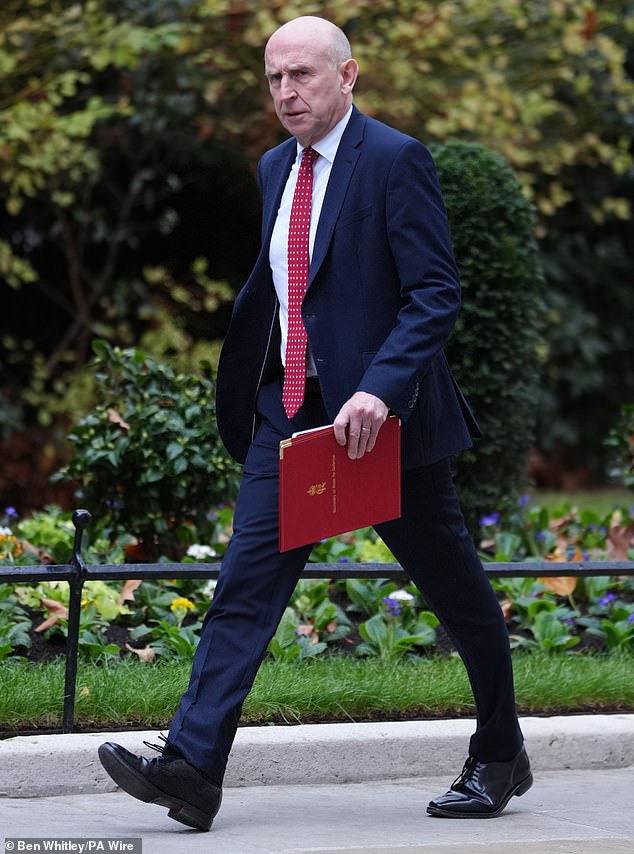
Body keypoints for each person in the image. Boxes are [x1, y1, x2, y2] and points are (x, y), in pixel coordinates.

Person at [98, 15, 533, 831]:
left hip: (384, 429)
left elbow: (434, 292)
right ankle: (193, 769)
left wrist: (378, 389)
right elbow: (288, 288)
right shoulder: (273, 168)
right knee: (242, 591)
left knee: (456, 594)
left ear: (348, 75)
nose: (287, 93)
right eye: (274, 79)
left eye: (302, 75)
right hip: (291, 418)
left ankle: (501, 750)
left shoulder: (396, 161)